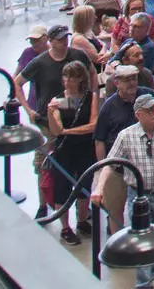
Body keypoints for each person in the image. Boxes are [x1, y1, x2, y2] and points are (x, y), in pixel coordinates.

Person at [98, 92, 154, 272]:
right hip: (139, 196)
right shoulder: (126, 136)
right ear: (138, 114)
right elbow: (109, 164)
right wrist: (99, 188)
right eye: (150, 110)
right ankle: (146, 280)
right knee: (141, 242)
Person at [44, 60, 100, 244]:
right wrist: (51, 113)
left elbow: (93, 125)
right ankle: (65, 228)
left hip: (84, 148)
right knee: (62, 188)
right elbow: (56, 130)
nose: (67, 81)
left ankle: (82, 220)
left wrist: (68, 131)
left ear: (80, 79)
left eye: (72, 77)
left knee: (84, 186)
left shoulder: (90, 97)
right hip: (64, 150)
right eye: (65, 76)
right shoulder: (58, 100)